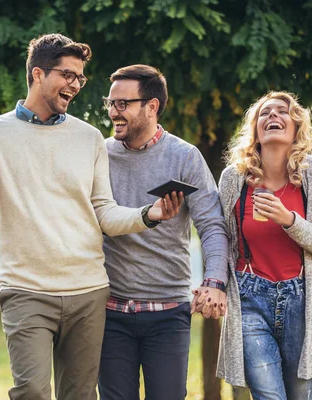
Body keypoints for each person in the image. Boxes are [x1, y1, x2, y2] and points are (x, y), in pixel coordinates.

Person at [0, 34, 183, 400]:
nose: (75, 85)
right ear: (37, 74)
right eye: (67, 75)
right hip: (25, 289)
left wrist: (148, 214)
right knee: (30, 390)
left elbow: (104, 212)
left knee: (79, 395)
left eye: (80, 78)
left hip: (88, 291)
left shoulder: (90, 137)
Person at [98, 64, 229, 400]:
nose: (114, 112)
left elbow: (212, 224)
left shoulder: (185, 156)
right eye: (110, 104)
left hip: (168, 313)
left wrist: (214, 281)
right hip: (109, 313)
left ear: (152, 106)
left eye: (122, 104)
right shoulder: (100, 155)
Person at [210, 91, 312, 399]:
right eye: (265, 114)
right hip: (250, 297)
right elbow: (221, 239)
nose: (273, 117)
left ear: (296, 128)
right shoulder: (234, 179)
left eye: (282, 112)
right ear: (255, 129)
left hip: (300, 299)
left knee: (299, 394)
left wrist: (289, 220)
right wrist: (213, 283)